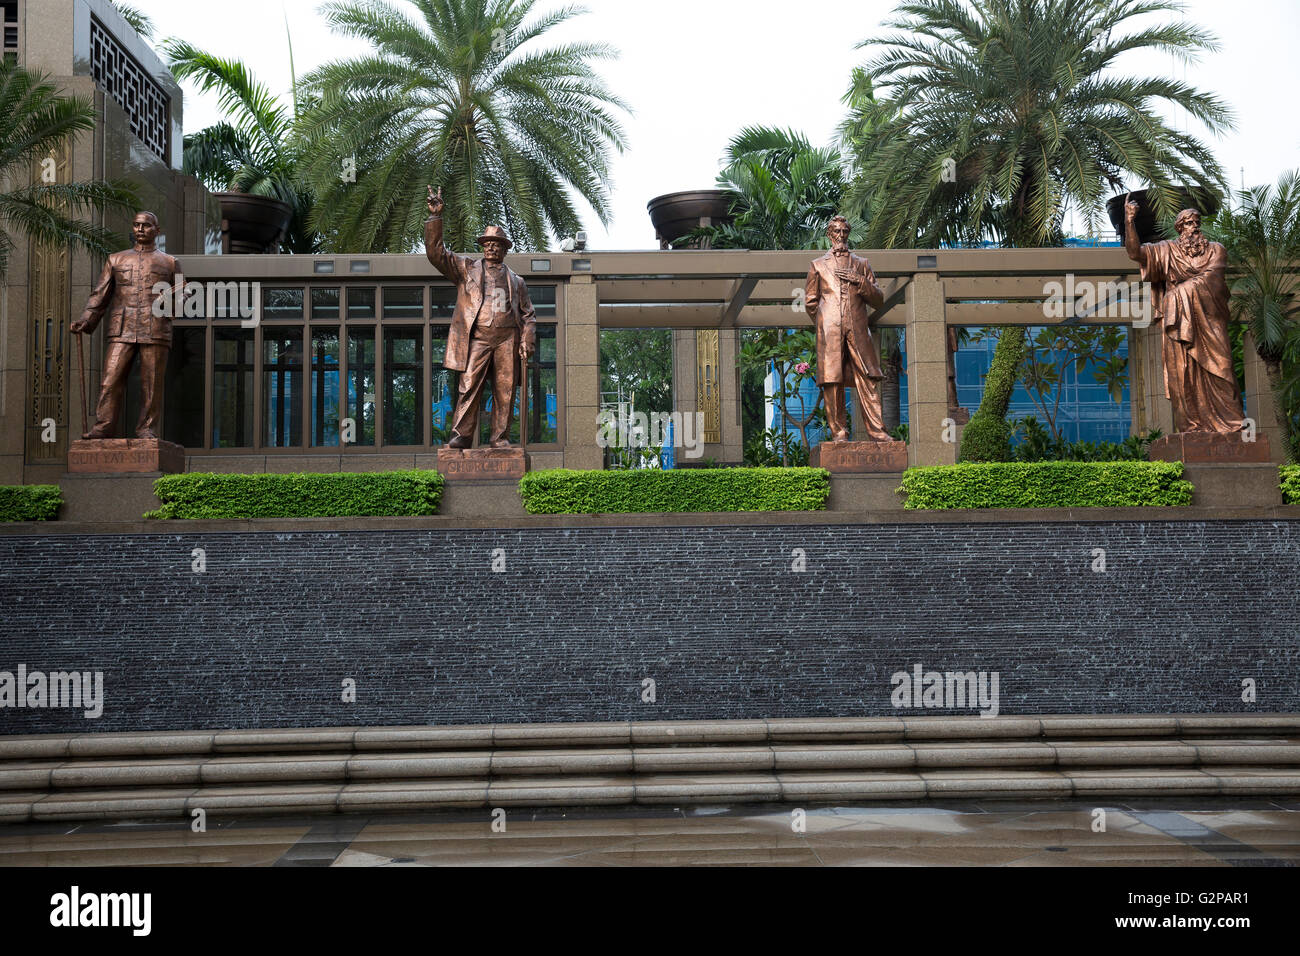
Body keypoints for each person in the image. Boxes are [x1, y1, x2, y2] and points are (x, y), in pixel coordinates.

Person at [424, 186, 536, 448]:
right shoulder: (466, 269)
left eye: (497, 245)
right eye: (487, 244)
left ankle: (499, 438)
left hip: (507, 339)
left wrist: (527, 340)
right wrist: (435, 218)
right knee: (468, 386)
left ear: (504, 250)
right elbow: (436, 254)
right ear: (483, 247)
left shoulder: (517, 281)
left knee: (505, 391)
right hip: (479, 338)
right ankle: (460, 436)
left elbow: (528, 314)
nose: (491, 248)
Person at [1124, 200, 1244, 433]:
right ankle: (1192, 427)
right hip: (1179, 323)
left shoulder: (1215, 249)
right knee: (1183, 375)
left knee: (1223, 368)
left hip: (1209, 319)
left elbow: (1214, 280)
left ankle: (1233, 423)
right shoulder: (1167, 250)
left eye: (1197, 223)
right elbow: (1135, 253)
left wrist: (1179, 292)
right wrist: (1130, 221)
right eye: (1188, 223)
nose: (1194, 227)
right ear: (1180, 228)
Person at [70, 211, 178, 439]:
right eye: (137, 225)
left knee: (152, 385)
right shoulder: (116, 259)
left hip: (156, 327)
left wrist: (173, 299)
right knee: (110, 380)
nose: (140, 229)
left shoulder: (170, 262)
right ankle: (104, 426)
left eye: (146, 225)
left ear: (156, 231)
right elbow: (100, 295)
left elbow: (184, 291)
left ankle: (146, 428)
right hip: (122, 328)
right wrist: (86, 320)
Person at [804, 214, 892, 441]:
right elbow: (811, 302)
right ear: (829, 235)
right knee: (832, 380)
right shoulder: (817, 265)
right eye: (836, 232)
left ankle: (877, 431)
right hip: (830, 330)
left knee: (869, 376)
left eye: (844, 232)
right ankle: (839, 433)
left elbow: (879, 299)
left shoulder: (862, 264)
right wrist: (826, 321)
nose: (841, 236)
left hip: (858, 329)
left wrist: (859, 281)